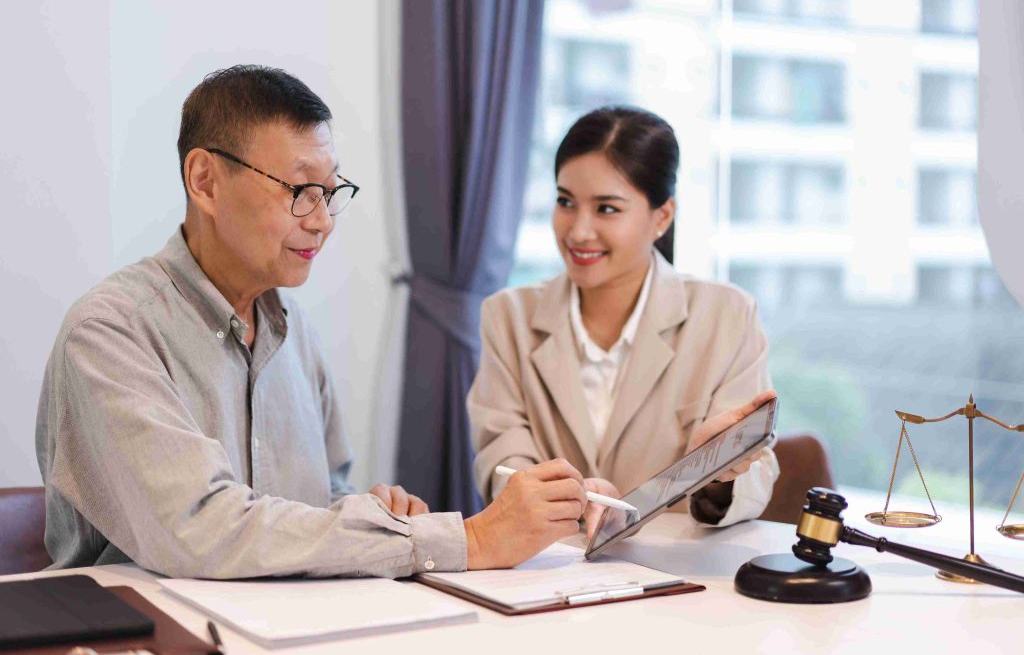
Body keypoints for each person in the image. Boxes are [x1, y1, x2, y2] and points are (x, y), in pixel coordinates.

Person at [35, 65, 589, 579]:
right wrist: (465, 539)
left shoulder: (292, 330)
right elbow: (200, 529)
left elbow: (319, 499)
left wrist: (371, 512)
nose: (322, 221)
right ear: (204, 180)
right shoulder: (110, 332)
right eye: (300, 192)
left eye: (329, 193)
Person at [469, 106, 780, 538]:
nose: (578, 231)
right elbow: (501, 454)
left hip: (678, 576)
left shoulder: (727, 316)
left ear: (661, 217)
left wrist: (715, 468)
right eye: (565, 202)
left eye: (607, 209)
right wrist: (564, 500)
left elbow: (753, 475)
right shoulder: (508, 316)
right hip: (550, 564)